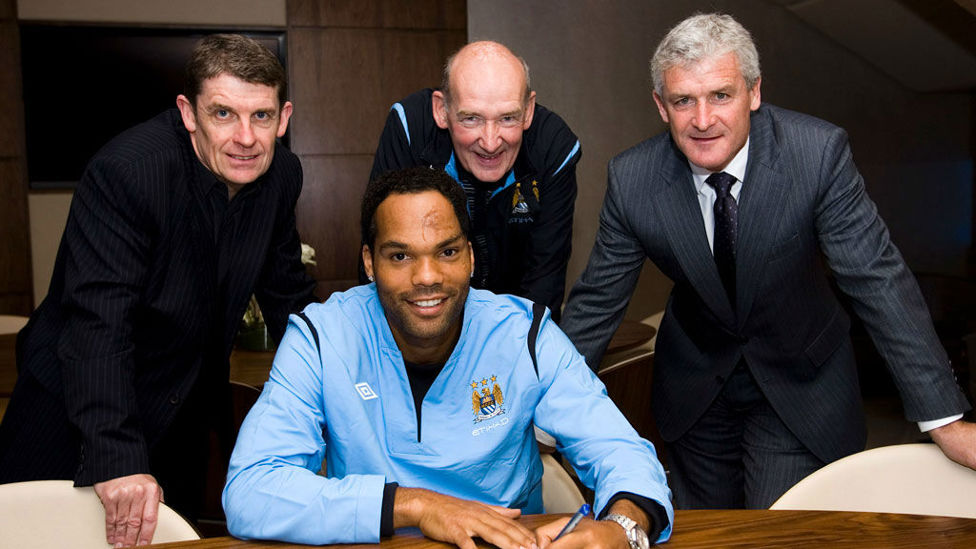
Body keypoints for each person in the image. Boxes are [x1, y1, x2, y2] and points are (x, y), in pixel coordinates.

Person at [561, 13, 975, 510]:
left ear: (753, 93)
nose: (702, 119)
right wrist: (538, 417)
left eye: (721, 95)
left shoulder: (816, 155)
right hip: (695, 392)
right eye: (683, 101)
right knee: (702, 536)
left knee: (777, 527)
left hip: (799, 383)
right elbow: (596, 303)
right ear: (660, 106)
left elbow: (877, 279)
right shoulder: (633, 179)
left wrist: (943, 418)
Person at [222, 167, 672, 548]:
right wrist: (415, 504)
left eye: (447, 252)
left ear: (471, 257)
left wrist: (622, 527)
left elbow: (620, 450)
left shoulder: (524, 335)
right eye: (400, 255)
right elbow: (250, 490)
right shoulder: (322, 339)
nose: (427, 277)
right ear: (369, 262)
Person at [0, 34, 317, 546]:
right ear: (188, 113)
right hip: (78, 412)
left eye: (261, 116)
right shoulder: (128, 172)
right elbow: (98, 325)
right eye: (223, 114)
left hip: (181, 411)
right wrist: (119, 458)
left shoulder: (281, 174)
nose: (245, 137)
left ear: (283, 118)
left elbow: (287, 294)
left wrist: (341, 388)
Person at [370, 41, 581, 320]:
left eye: (507, 118)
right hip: (423, 305)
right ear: (441, 110)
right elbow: (383, 255)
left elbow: (544, 279)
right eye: (471, 119)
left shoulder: (554, 148)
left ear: (528, 111)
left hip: (512, 311)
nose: (491, 143)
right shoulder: (410, 129)